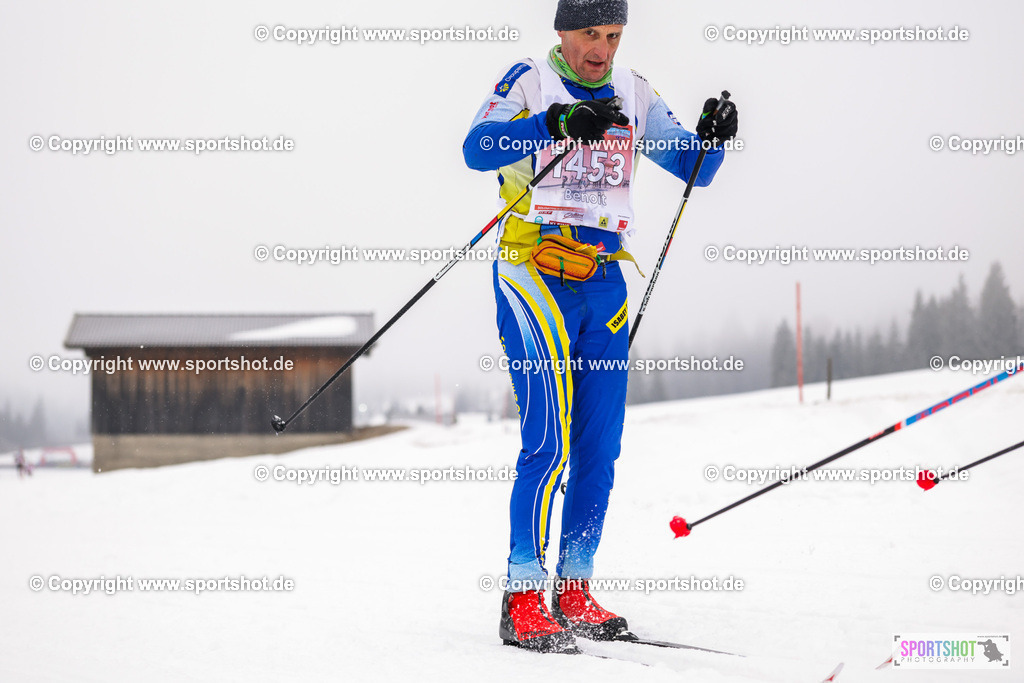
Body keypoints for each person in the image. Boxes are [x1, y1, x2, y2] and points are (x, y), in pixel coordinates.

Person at [463, 0, 737, 654]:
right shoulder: (529, 80)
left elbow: (696, 167)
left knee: (600, 446)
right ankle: (522, 595)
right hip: (534, 271)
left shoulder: (634, 93)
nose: (601, 49)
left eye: (613, 35)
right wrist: (555, 120)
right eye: (591, 33)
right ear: (563, 30)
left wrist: (713, 135)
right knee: (547, 443)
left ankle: (575, 586)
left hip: (605, 283)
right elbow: (477, 149)